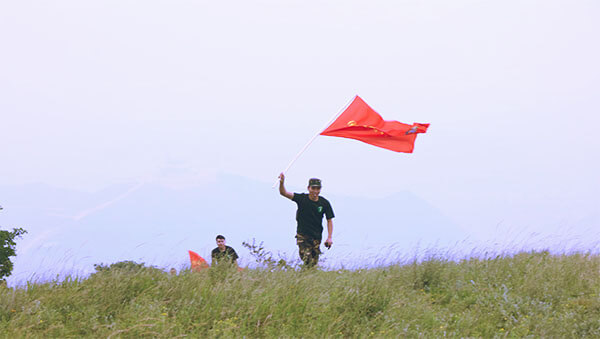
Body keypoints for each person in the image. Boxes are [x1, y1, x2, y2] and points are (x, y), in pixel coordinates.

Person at [278, 173, 335, 267]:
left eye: (318, 188)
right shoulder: (301, 199)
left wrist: (329, 237)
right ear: (308, 188)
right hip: (303, 236)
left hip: (316, 237)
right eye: (313, 188)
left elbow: (329, 220)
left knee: (313, 264)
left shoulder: (324, 203)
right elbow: (284, 193)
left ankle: (304, 279)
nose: (315, 191)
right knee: (307, 260)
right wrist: (282, 183)